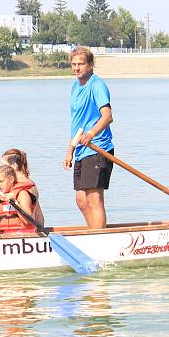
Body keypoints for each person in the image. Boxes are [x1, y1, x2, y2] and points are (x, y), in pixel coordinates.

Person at [63, 46, 114, 229]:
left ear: (91, 65)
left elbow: (107, 116)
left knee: (93, 197)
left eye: (81, 64)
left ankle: (98, 237)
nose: (76, 68)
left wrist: (91, 133)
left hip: (98, 147)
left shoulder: (97, 85)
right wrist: (70, 150)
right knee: (81, 200)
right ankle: (93, 232)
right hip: (81, 149)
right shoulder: (75, 86)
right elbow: (77, 122)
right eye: (74, 64)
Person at [0, 148, 45, 226]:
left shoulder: (21, 185)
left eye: (4, 167)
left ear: (14, 166)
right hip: (38, 225)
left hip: (29, 229)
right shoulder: (29, 181)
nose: (1, 170)